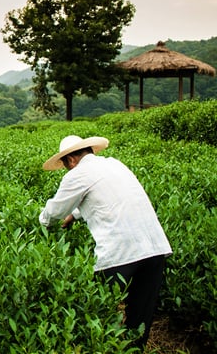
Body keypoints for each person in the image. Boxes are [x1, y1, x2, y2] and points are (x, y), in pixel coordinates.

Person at [39, 135, 172, 350]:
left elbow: (53, 213)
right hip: (154, 248)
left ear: (71, 160)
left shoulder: (78, 174)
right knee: (139, 320)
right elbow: (108, 198)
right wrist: (74, 215)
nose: (67, 169)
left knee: (93, 313)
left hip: (120, 254)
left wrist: (41, 223)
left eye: (65, 165)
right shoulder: (115, 165)